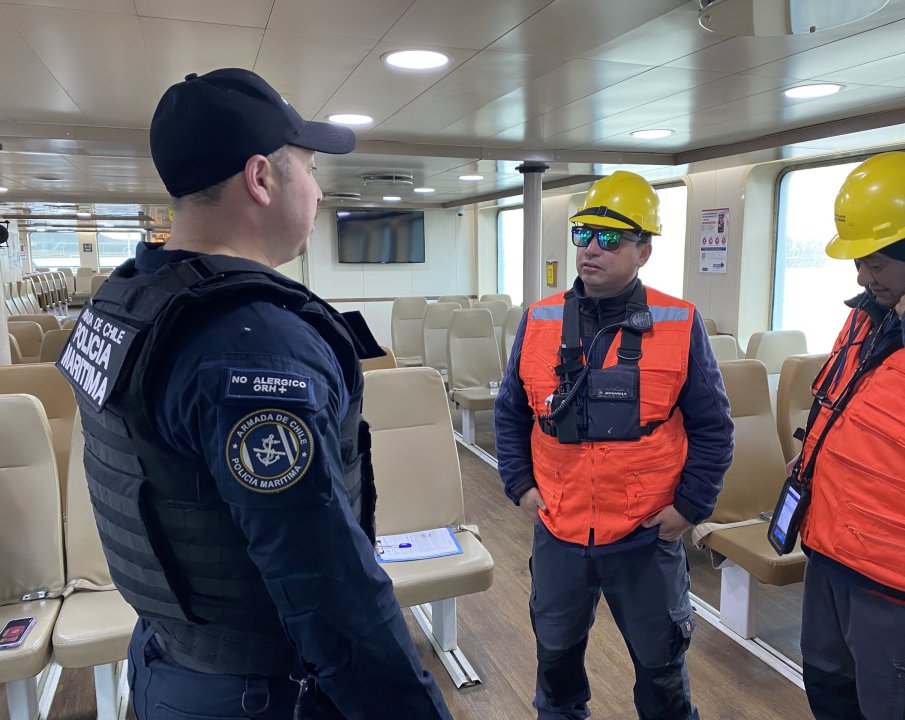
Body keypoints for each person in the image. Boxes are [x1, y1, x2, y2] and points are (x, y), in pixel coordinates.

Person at [56, 68, 452, 720]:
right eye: (310, 169)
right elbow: (327, 583)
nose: (319, 191)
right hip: (257, 693)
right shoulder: (255, 348)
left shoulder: (125, 304)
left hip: (166, 658)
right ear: (261, 178)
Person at [495, 170, 734, 719]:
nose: (590, 249)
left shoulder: (680, 322)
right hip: (559, 529)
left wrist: (690, 507)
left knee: (662, 674)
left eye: (610, 238)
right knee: (555, 668)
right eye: (583, 234)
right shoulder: (538, 320)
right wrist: (520, 484)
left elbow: (714, 427)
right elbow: (510, 411)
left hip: (645, 534)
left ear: (643, 251)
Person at [793, 151, 905, 720]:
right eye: (859, 262)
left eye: (876, 262)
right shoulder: (869, 313)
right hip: (832, 556)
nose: (863, 277)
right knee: (829, 691)